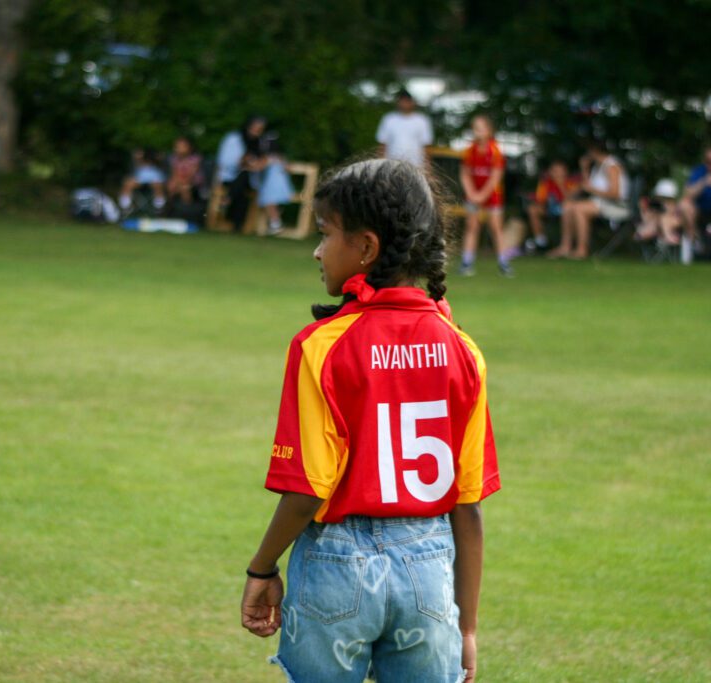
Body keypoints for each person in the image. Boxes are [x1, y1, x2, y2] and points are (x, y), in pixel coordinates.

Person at [241, 159, 500, 683]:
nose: (317, 251)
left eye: (325, 234)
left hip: (336, 565)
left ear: (365, 248)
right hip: (430, 570)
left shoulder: (322, 346)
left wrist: (261, 567)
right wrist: (467, 628)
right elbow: (467, 504)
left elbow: (309, 489)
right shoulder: (462, 350)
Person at [547, 138, 629, 260]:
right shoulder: (598, 167)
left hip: (617, 206)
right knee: (567, 206)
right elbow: (587, 185)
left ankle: (582, 249)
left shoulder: (612, 166)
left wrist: (592, 190)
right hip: (601, 202)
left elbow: (615, 194)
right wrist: (584, 169)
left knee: (579, 208)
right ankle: (565, 247)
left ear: (594, 151)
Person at [216, 116, 294, 233]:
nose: (256, 131)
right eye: (255, 128)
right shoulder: (235, 139)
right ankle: (272, 222)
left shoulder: (263, 143)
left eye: (260, 129)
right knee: (244, 183)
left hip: (255, 181)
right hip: (234, 177)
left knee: (249, 184)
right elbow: (226, 162)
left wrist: (254, 164)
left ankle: (228, 201)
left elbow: (261, 164)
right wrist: (244, 162)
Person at [459, 115, 511, 277]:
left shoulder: (495, 151)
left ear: (489, 131)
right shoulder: (470, 150)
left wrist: (481, 195)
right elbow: (465, 174)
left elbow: (496, 177)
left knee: (496, 227)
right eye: (475, 129)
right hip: (473, 194)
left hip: (492, 195)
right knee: (471, 226)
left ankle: (504, 263)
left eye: (481, 129)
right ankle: (466, 262)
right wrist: (471, 193)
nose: (477, 132)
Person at [524, 160, 574, 254]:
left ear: (565, 171)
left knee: (567, 207)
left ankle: (565, 245)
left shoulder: (571, 183)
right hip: (550, 210)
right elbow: (540, 200)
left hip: (567, 210)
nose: (557, 174)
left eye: (559, 171)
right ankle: (541, 242)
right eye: (554, 171)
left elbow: (569, 199)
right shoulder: (546, 183)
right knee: (532, 209)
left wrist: (560, 184)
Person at [376, 89, 433, 168]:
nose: (405, 104)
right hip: (391, 165)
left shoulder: (422, 120)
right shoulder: (389, 119)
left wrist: (428, 167)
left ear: (412, 102)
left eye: (407, 101)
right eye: (402, 101)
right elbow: (382, 145)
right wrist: (380, 165)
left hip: (415, 166)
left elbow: (426, 146)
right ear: (398, 102)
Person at [118, 148, 167, 214]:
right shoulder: (137, 163)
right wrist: (137, 158)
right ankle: (125, 207)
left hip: (155, 178)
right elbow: (132, 170)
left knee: (157, 185)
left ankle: (159, 207)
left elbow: (164, 164)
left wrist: (158, 158)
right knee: (128, 183)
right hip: (140, 179)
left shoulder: (158, 163)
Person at [165, 136, 203, 205]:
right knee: (171, 186)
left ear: (190, 147)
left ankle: (187, 206)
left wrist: (182, 181)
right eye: (178, 147)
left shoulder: (194, 158)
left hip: (193, 181)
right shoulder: (174, 159)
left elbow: (192, 173)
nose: (180, 149)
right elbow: (174, 172)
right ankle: (170, 206)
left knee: (185, 187)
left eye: (183, 146)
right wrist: (175, 181)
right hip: (179, 179)